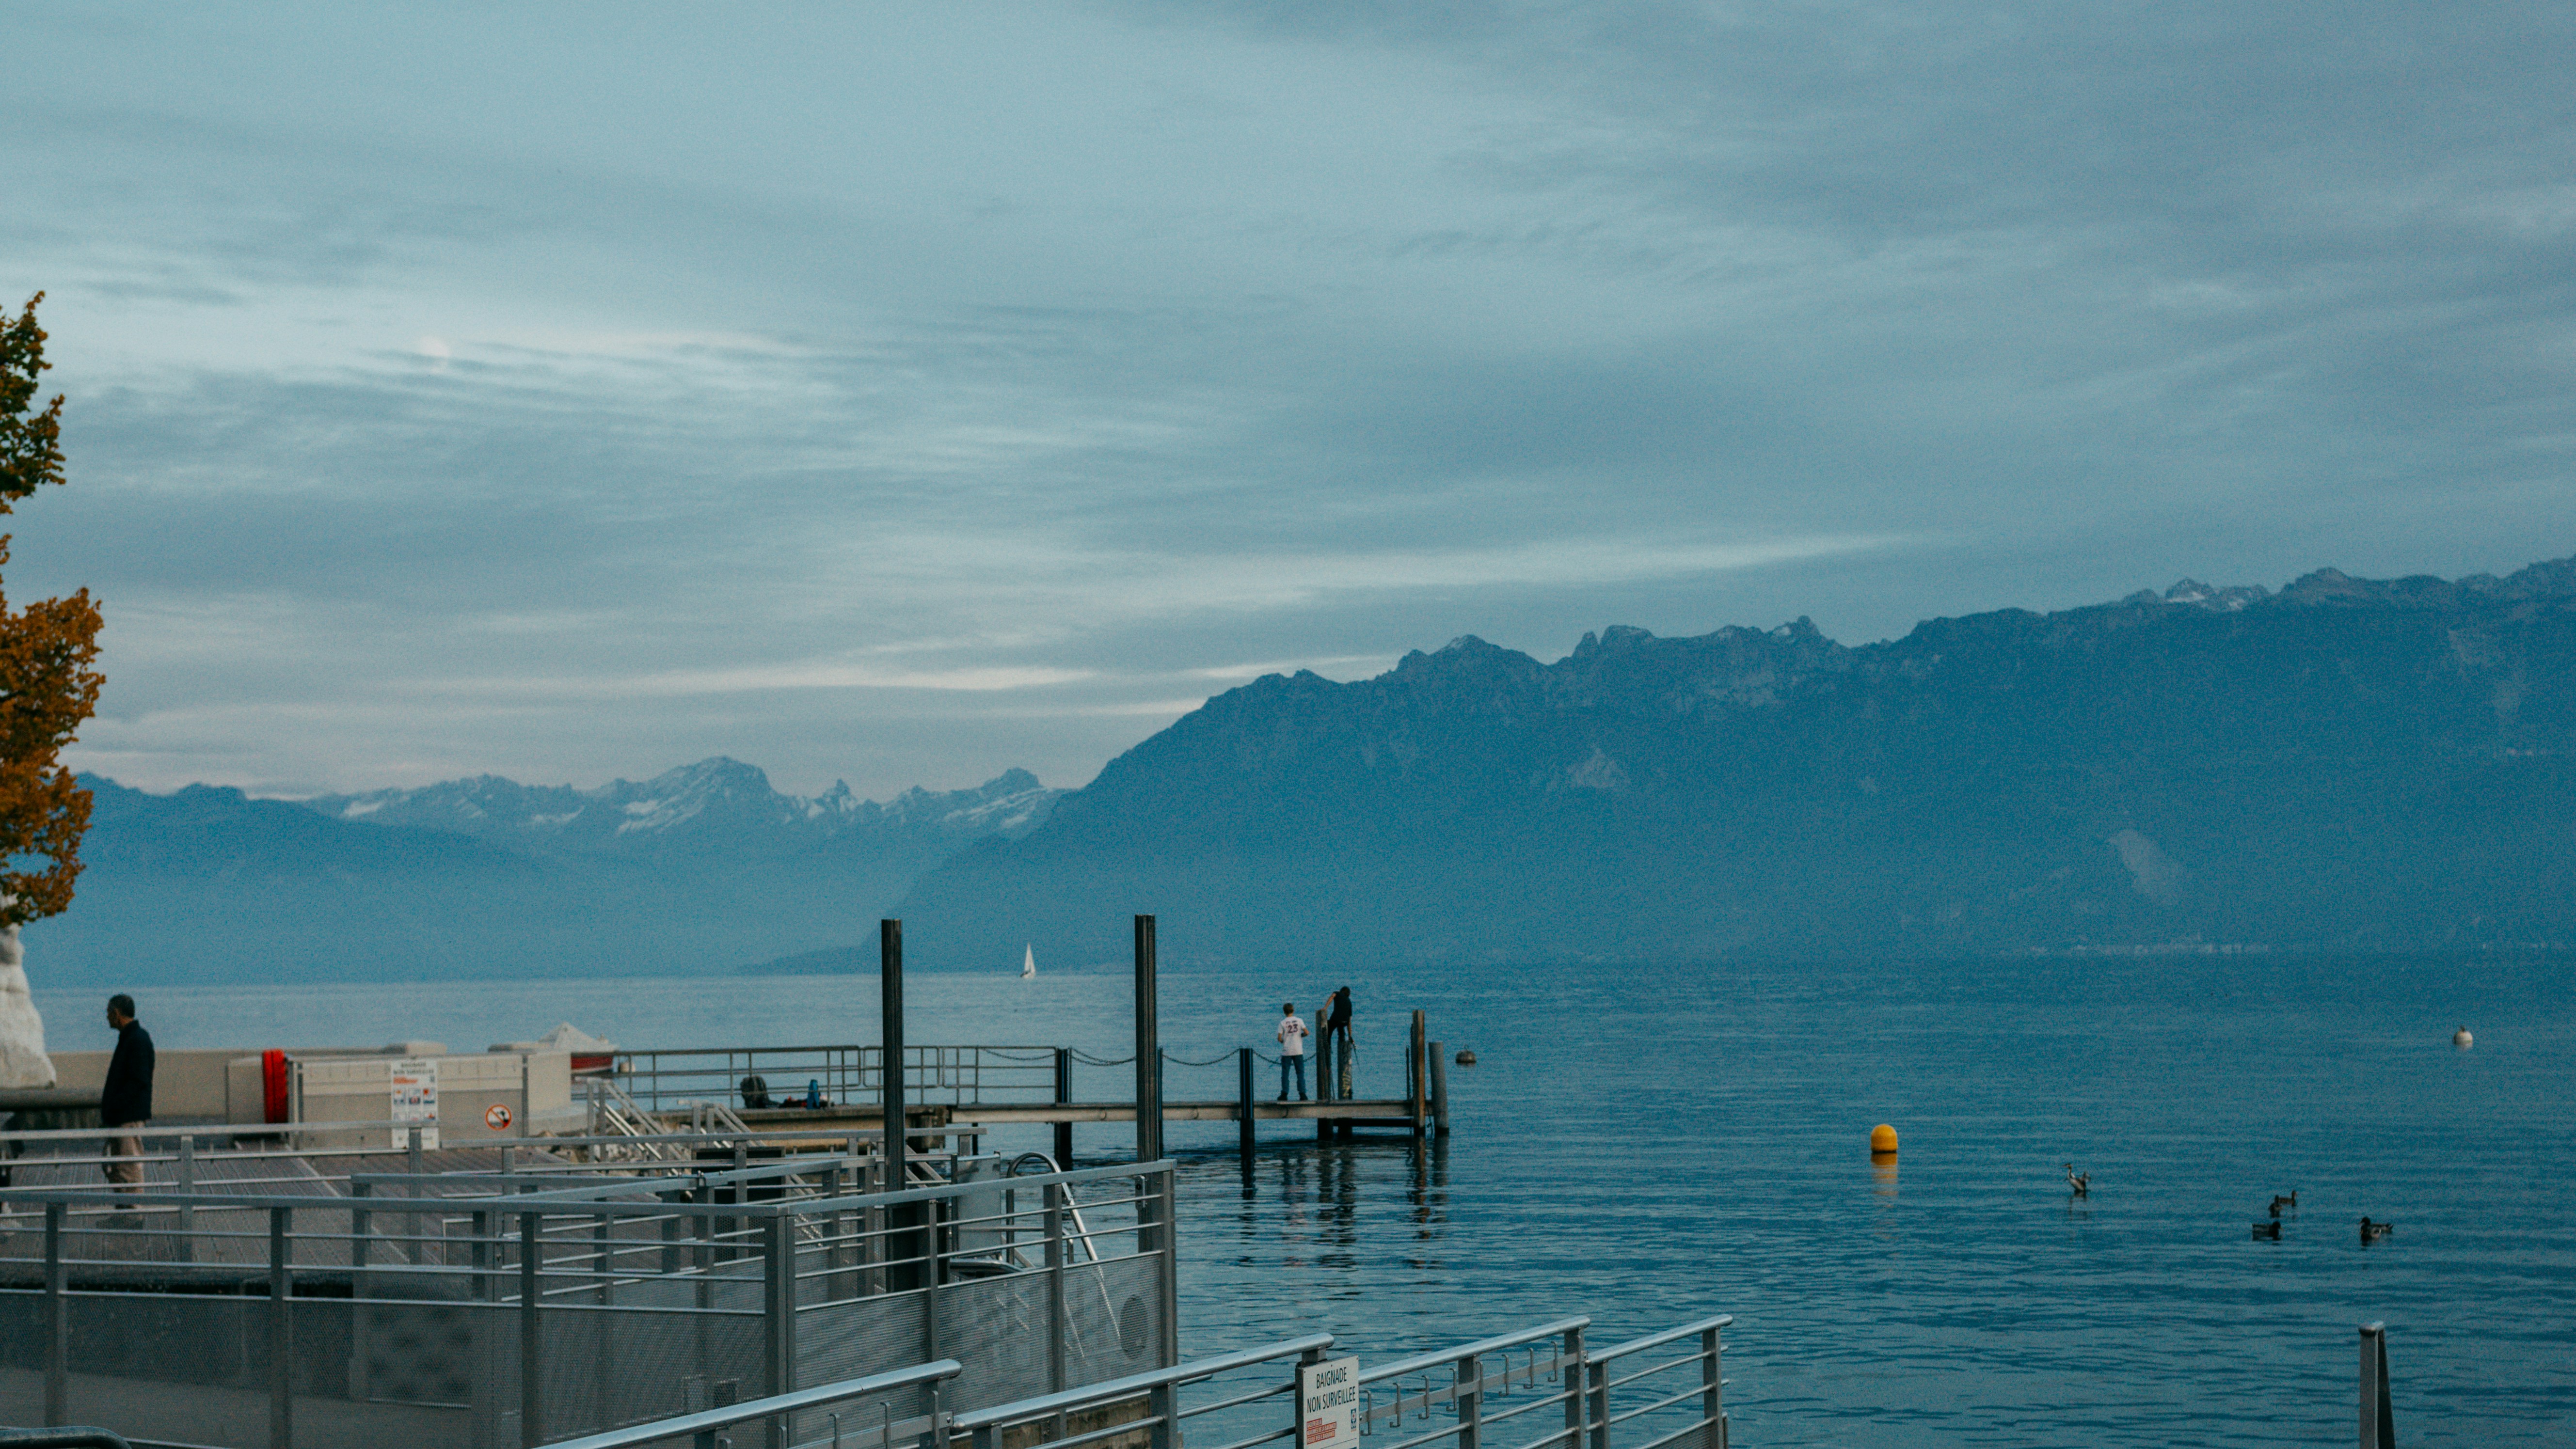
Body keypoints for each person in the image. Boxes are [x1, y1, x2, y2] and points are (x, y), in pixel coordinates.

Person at [100, 993, 154, 1198]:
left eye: (108, 1013)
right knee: (118, 1167)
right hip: (122, 1116)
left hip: (127, 1117)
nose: (106, 1017)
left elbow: (138, 1081)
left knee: (128, 1167)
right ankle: (124, 1213)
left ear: (116, 1014)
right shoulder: (132, 1038)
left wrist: (115, 1106)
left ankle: (133, 1215)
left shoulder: (136, 1040)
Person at [1324, 986, 1355, 1098]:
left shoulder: (1337, 993)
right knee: (1342, 1032)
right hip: (1344, 1022)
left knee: (1328, 1031)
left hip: (1335, 1019)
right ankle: (1342, 1043)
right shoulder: (1350, 1002)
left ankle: (1327, 1047)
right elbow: (1350, 1022)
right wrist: (1350, 1036)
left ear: (1342, 992)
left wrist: (1325, 1008)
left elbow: (1332, 997)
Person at [1275, 1003, 1308, 1101]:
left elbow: (1279, 1038)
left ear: (1284, 1012)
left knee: (1285, 1073)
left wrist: (1284, 1041)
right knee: (1300, 1073)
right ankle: (1302, 1094)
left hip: (1287, 1051)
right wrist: (1300, 1036)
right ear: (1293, 1010)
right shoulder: (1299, 1021)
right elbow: (1307, 1032)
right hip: (1298, 1050)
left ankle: (1284, 1094)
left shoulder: (1282, 1023)